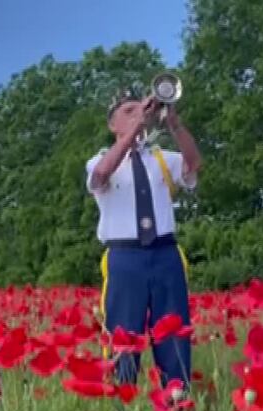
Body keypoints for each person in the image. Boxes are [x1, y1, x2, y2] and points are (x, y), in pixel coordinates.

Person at [86, 86, 202, 389]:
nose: (138, 114)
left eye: (141, 108)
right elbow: (100, 175)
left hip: (165, 253)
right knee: (123, 331)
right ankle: (121, 403)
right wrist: (134, 131)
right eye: (128, 111)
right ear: (112, 124)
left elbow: (193, 165)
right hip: (125, 257)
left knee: (174, 329)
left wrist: (174, 124)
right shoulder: (101, 159)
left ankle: (178, 401)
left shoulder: (163, 159)